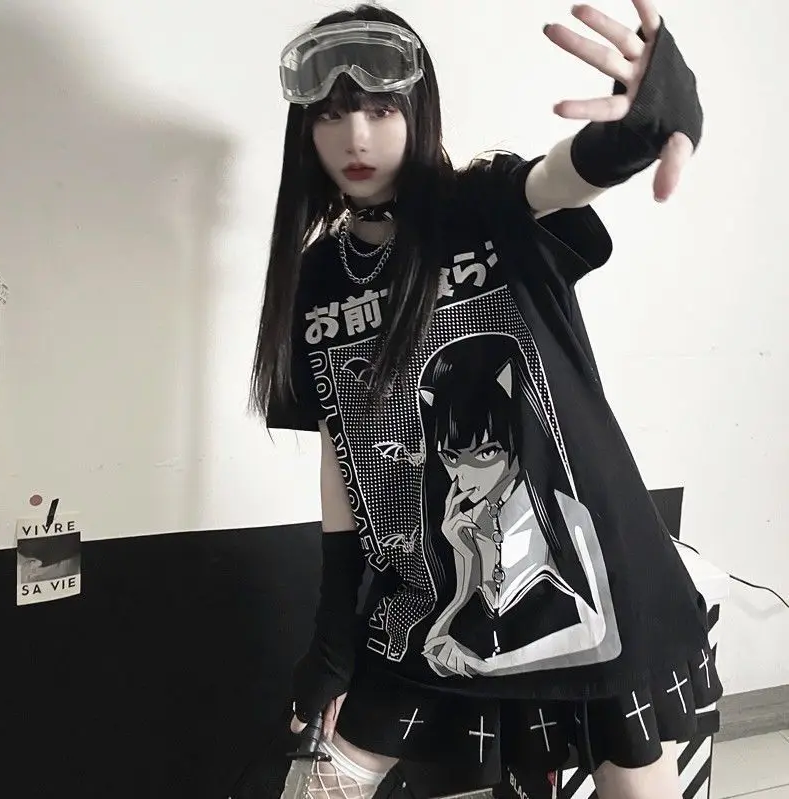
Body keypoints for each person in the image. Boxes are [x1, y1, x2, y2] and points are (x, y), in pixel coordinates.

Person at [250, 2, 723, 797]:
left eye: (379, 110)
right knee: (321, 784)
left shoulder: (483, 206)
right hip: (432, 593)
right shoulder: (317, 280)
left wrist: (639, 125)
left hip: (591, 582)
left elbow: (558, 175)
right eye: (330, 115)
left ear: (418, 111)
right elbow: (342, 458)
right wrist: (333, 636)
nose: (355, 137)